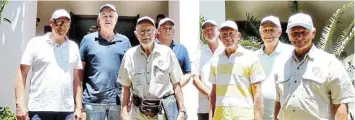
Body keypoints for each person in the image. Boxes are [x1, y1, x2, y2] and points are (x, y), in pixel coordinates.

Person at [274, 13, 355, 120]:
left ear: (313, 33)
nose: (299, 37)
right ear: (288, 35)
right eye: (294, 33)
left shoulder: (329, 63)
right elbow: (278, 102)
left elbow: (341, 105)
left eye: (304, 33)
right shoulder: (282, 64)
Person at [15, 9, 82, 120]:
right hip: (39, 108)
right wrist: (20, 104)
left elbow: (76, 80)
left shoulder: (73, 47)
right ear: (51, 23)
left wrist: (78, 107)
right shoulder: (35, 43)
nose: (62, 26)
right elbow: (21, 74)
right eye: (59, 22)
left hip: (66, 110)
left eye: (66, 23)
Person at [119, 16, 186, 120]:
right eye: (141, 31)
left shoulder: (167, 53)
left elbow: (176, 84)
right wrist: (124, 111)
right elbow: (125, 87)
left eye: (149, 31)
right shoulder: (129, 55)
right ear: (136, 34)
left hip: (163, 113)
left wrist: (182, 110)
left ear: (155, 33)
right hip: (137, 114)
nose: (145, 34)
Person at [79, 4, 131, 120]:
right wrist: (78, 104)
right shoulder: (88, 40)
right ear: (99, 19)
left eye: (111, 16)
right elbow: (79, 73)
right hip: (92, 102)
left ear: (116, 19)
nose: (108, 19)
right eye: (104, 16)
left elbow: (130, 71)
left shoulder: (125, 41)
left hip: (118, 102)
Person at [209, 20, 265, 120]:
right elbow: (213, 93)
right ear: (220, 37)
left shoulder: (251, 58)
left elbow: (257, 93)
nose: (227, 37)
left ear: (238, 36)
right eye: (224, 34)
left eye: (231, 33)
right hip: (220, 117)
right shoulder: (215, 59)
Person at [255, 16, 293, 120]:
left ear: (280, 32)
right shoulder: (253, 57)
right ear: (260, 33)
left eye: (272, 30)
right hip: (260, 115)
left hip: (284, 115)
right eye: (265, 30)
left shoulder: (291, 53)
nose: (268, 33)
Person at [191, 19, 224, 120]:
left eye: (212, 29)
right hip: (204, 108)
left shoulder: (226, 51)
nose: (209, 32)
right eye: (205, 30)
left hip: (225, 106)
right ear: (203, 34)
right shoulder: (198, 55)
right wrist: (210, 94)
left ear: (218, 31)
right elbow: (195, 80)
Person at [156, 18, 191, 87]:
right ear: (158, 31)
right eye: (164, 28)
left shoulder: (181, 49)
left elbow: (188, 73)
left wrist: (176, 87)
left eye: (170, 28)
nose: (167, 30)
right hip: (155, 94)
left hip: (175, 94)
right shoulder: (152, 48)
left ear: (173, 31)